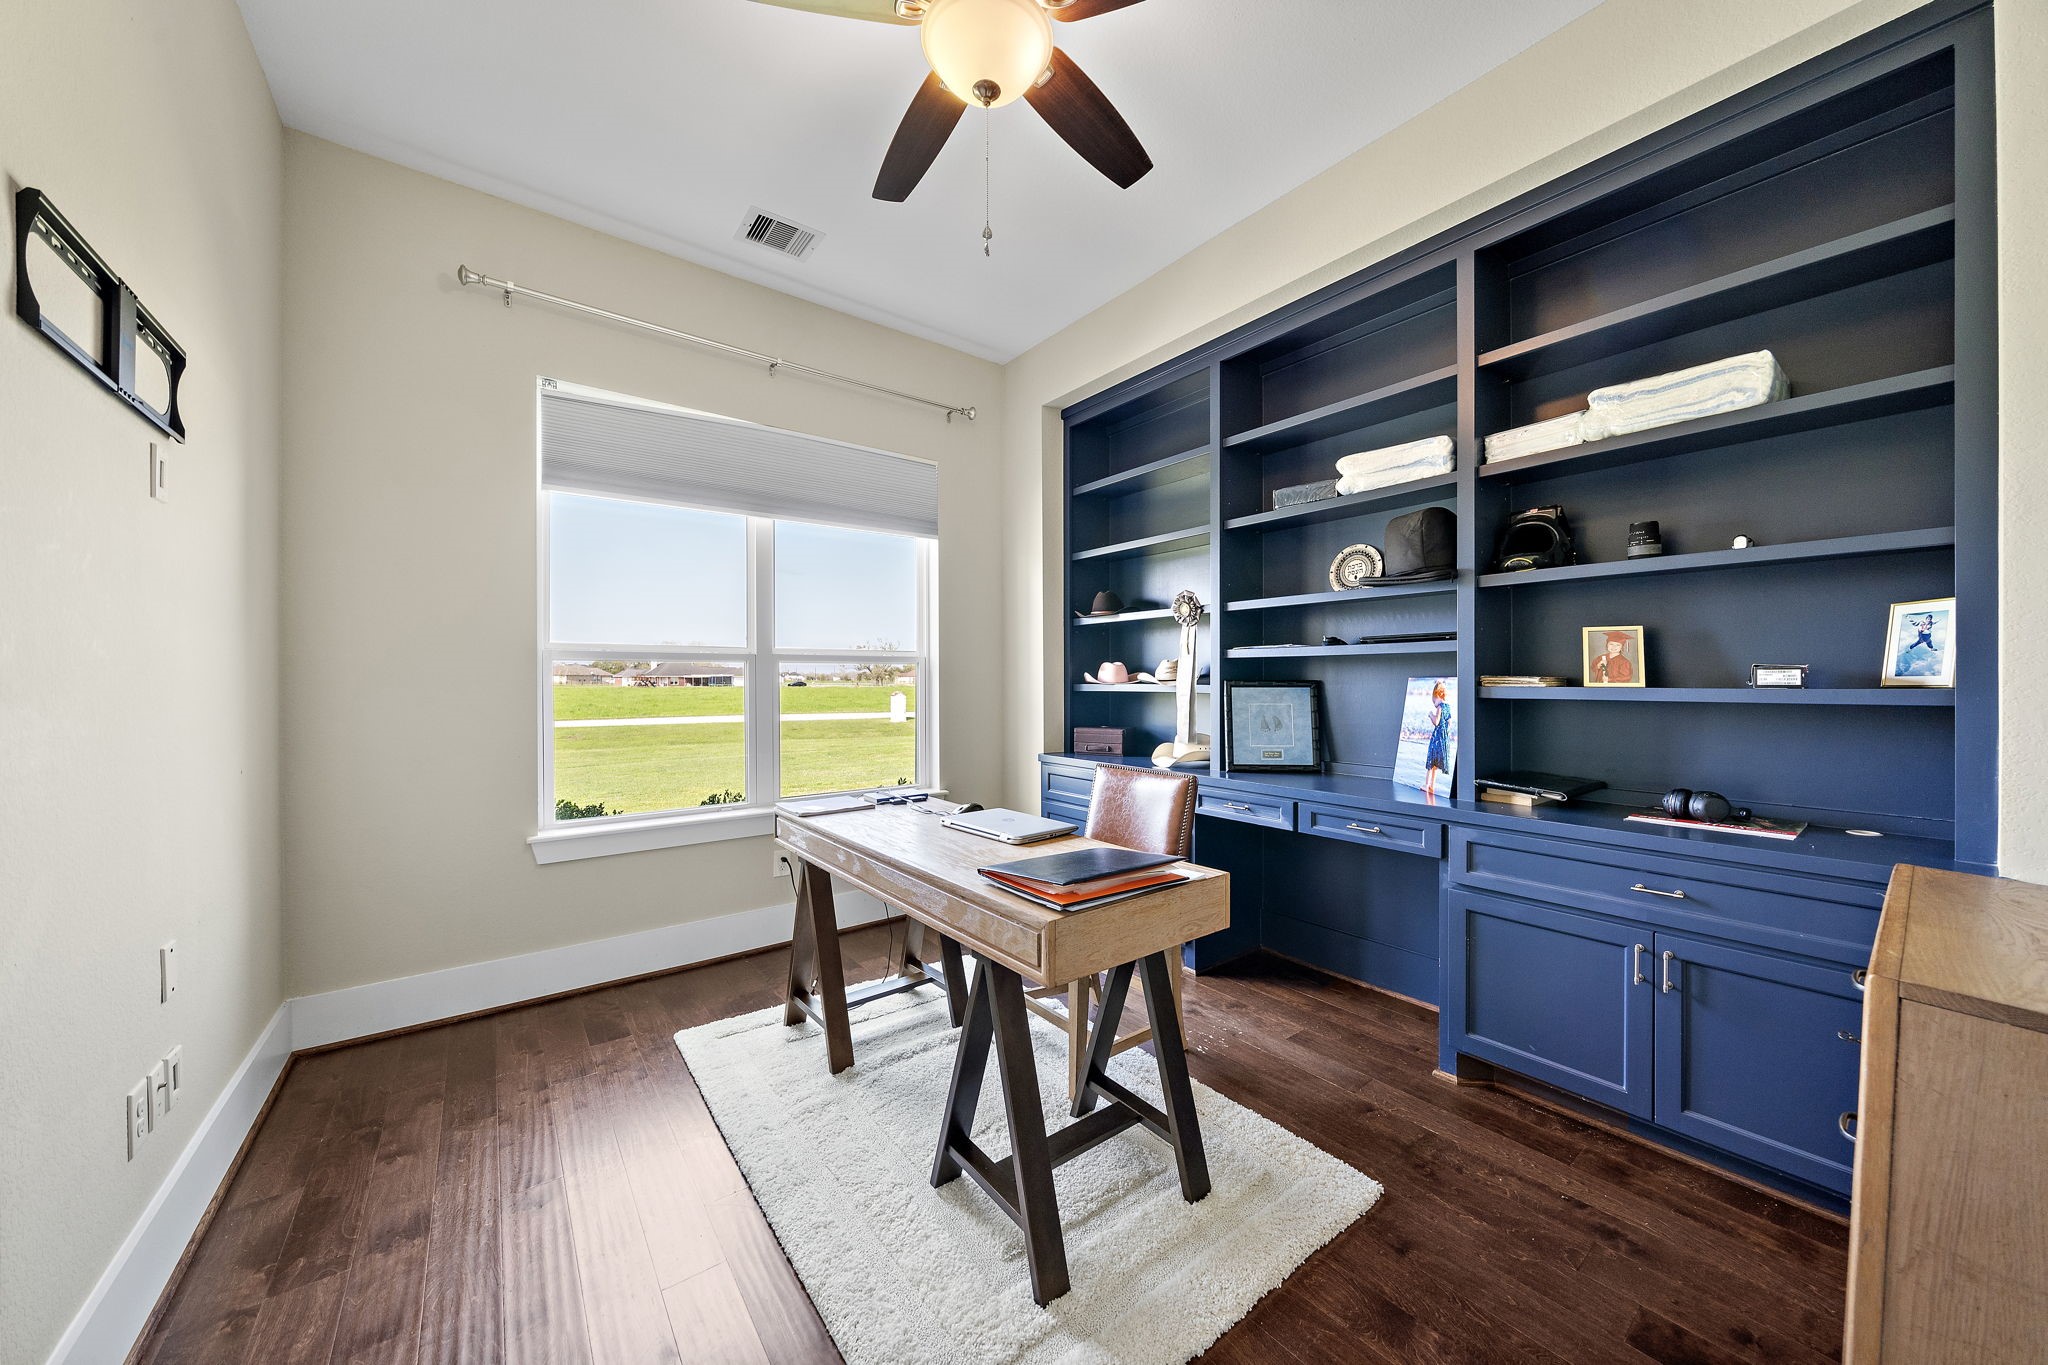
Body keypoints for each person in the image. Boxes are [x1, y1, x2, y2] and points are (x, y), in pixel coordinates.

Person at [1424, 680, 1452, 798]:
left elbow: (1436, 722)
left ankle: (1426, 785)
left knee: (1431, 762)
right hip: (1444, 738)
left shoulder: (1440, 707)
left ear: (1437, 695)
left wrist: (1431, 714)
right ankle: (1432, 785)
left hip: (1436, 738)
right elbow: (1449, 723)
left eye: (1433, 699)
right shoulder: (1448, 707)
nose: (1433, 702)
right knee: (1435, 765)